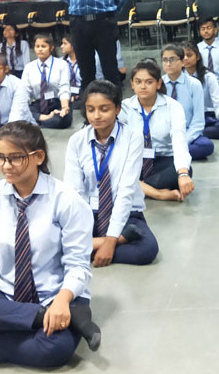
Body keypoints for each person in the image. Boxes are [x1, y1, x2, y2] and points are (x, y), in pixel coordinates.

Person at [0, 122, 101, 367]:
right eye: (0, 158)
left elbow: (78, 266)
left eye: (16, 158)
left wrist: (62, 301)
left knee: (55, 349)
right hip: (7, 294)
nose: (6, 166)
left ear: (39, 157)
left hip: (57, 294)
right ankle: (50, 319)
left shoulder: (67, 201)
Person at [66, 80, 160, 266]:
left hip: (127, 212)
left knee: (147, 250)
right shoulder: (77, 140)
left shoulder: (132, 137)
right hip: (89, 212)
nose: (96, 116)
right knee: (48, 239)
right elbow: (73, 191)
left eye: (104, 109)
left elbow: (126, 189)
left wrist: (110, 240)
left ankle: (83, 249)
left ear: (117, 109)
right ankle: (113, 241)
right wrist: (106, 238)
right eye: (90, 110)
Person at [119, 59, 194, 202]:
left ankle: (135, 187)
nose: (143, 86)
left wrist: (183, 174)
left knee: (184, 171)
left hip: (163, 160)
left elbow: (179, 141)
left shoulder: (173, 106)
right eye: (138, 82)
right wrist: (158, 194)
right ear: (132, 84)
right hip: (136, 160)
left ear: (158, 83)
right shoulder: (124, 108)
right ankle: (157, 193)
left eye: (149, 82)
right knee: (114, 170)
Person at [161, 43, 212, 160]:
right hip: (165, 134)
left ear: (182, 62)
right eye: (165, 60)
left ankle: (168, 153)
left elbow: (198, 121)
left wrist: (184, 141)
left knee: (206, 146)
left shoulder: (194, 84)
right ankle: (174, 153)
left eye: (172, 59)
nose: (168, 64)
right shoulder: (159, 84)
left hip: (187, 132)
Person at [19, 34, 71, 129]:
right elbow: (25, 91)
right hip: (38, 103)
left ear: (51, 48)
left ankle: (38, 121)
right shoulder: (29, 67)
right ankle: (45, 118)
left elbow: (64, 87)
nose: (40, 49)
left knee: (61, 119)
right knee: (22, 113)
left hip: (57, 102)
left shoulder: (61, 64)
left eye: (43, 46)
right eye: (37, 46)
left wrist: (64, 108)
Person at [183, 41, 219, 141]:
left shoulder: (208, 77)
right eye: (182, 56)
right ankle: (196, 133)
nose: (185, 58)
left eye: (189, 55)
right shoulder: (178, 77)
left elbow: (218, 103)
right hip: (186, 118)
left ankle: (193, 133)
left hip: (206, 116)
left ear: (197, 57)